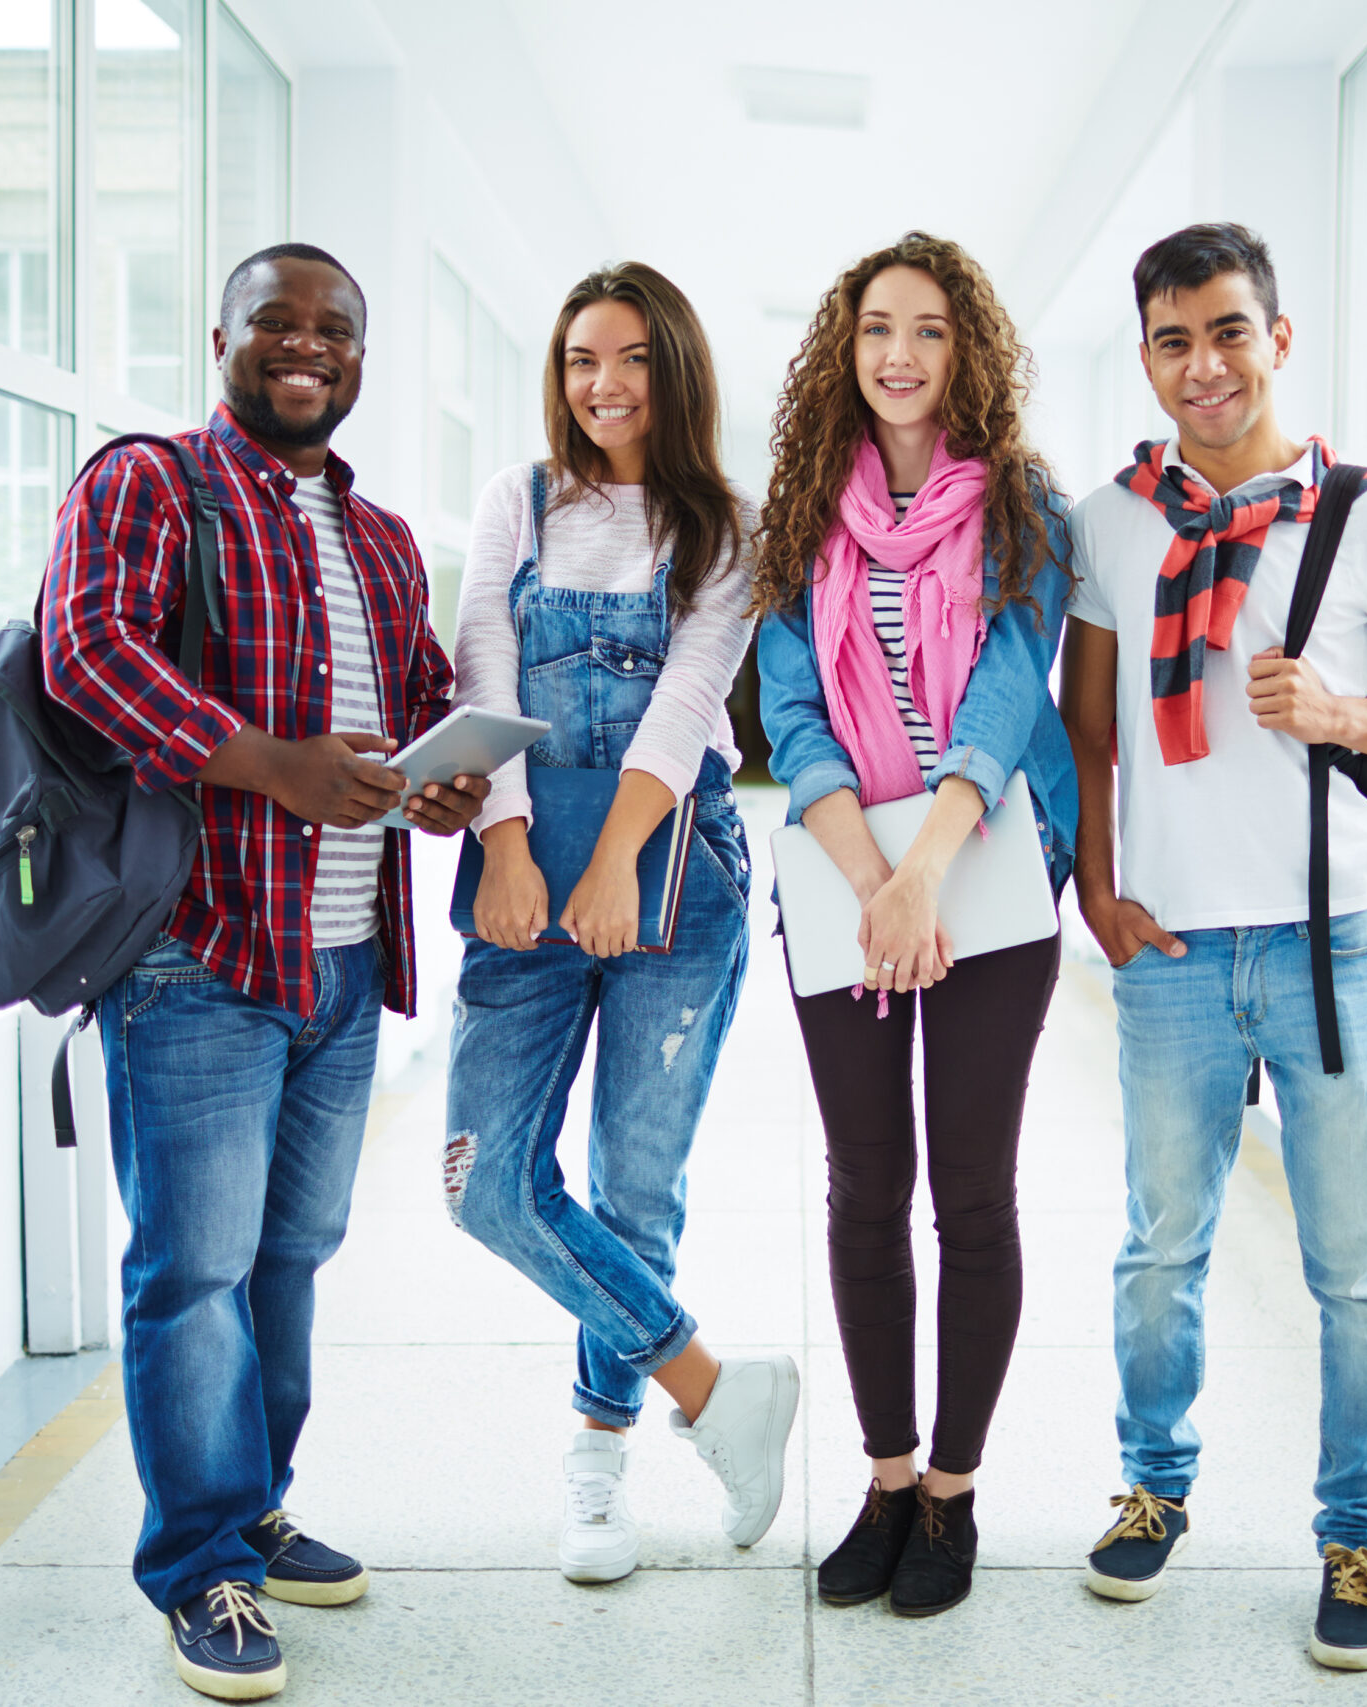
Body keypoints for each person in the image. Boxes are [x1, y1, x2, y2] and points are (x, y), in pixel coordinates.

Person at [1060, 222, 1367, 1670]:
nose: (1205, 364)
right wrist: (1098, 886)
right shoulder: (1110, 522)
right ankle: (1153, 1487)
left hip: (1335, 944)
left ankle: (1361, 1541)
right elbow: (1090, 729)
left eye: (1230, 332)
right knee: (1158, 1251)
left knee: (1354, 1269)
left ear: (1280, 339)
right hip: (1174, 954)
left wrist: (1344, 715)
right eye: (1175, 339)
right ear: (1146, 356)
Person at [41, 242, 489, 1702]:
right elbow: (87, 652)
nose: (308, 348)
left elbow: (419, 698)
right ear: (223, 333)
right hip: (200, 960)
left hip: (344, 963)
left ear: (361, 355)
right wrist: (269, 768)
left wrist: (445, 781)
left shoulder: (383, 540)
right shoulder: (152, 482)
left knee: (289, 1263)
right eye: (279, 325)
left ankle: (255, 1506)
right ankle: (201, 1569)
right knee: (192, 1275)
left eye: (336, 330)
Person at [441, 261, 795, 1588]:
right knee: (485, 1184)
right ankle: (714, 1387)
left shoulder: (726, 524)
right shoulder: (516, 501)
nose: (605, 383)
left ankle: (598, 1461)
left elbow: (694, 694)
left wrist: (615, 866)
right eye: (585, 357)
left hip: (675, 880)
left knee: (632, 1191)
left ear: (677, 371)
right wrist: (515, 847)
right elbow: (484, 662)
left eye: (635, 358)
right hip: (522, 878)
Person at [754, 231, 1078, 1619]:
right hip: (843, 876)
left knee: (975, 1197)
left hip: (984, 868)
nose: (901, 353)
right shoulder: (792, 523)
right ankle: (884, 1482)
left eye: (930, 330)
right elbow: (788, 716)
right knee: (863, 1189)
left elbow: (1006, 700)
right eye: (878, 327)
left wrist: (926, 871)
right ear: (845, 348)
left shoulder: (1024, 507)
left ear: (969, 353)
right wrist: (870, 876)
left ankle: (953, 1494)